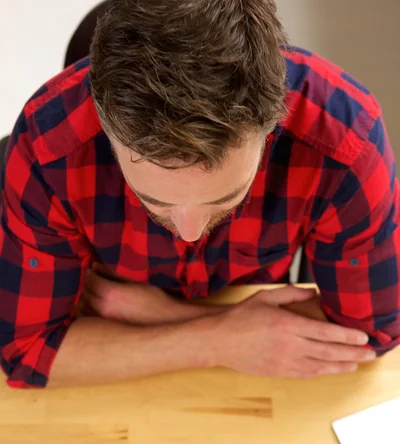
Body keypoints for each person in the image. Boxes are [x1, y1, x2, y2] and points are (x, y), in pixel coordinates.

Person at [0, 0, 398, 390]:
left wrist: (159, 315)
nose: (189, 232)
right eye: (154, 201)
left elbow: (374, 332)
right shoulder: (49, 143)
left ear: (273, 120)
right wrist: (220, 338)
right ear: (105, 125)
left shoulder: (345, 139)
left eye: (226, 198)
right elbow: (26, 354)